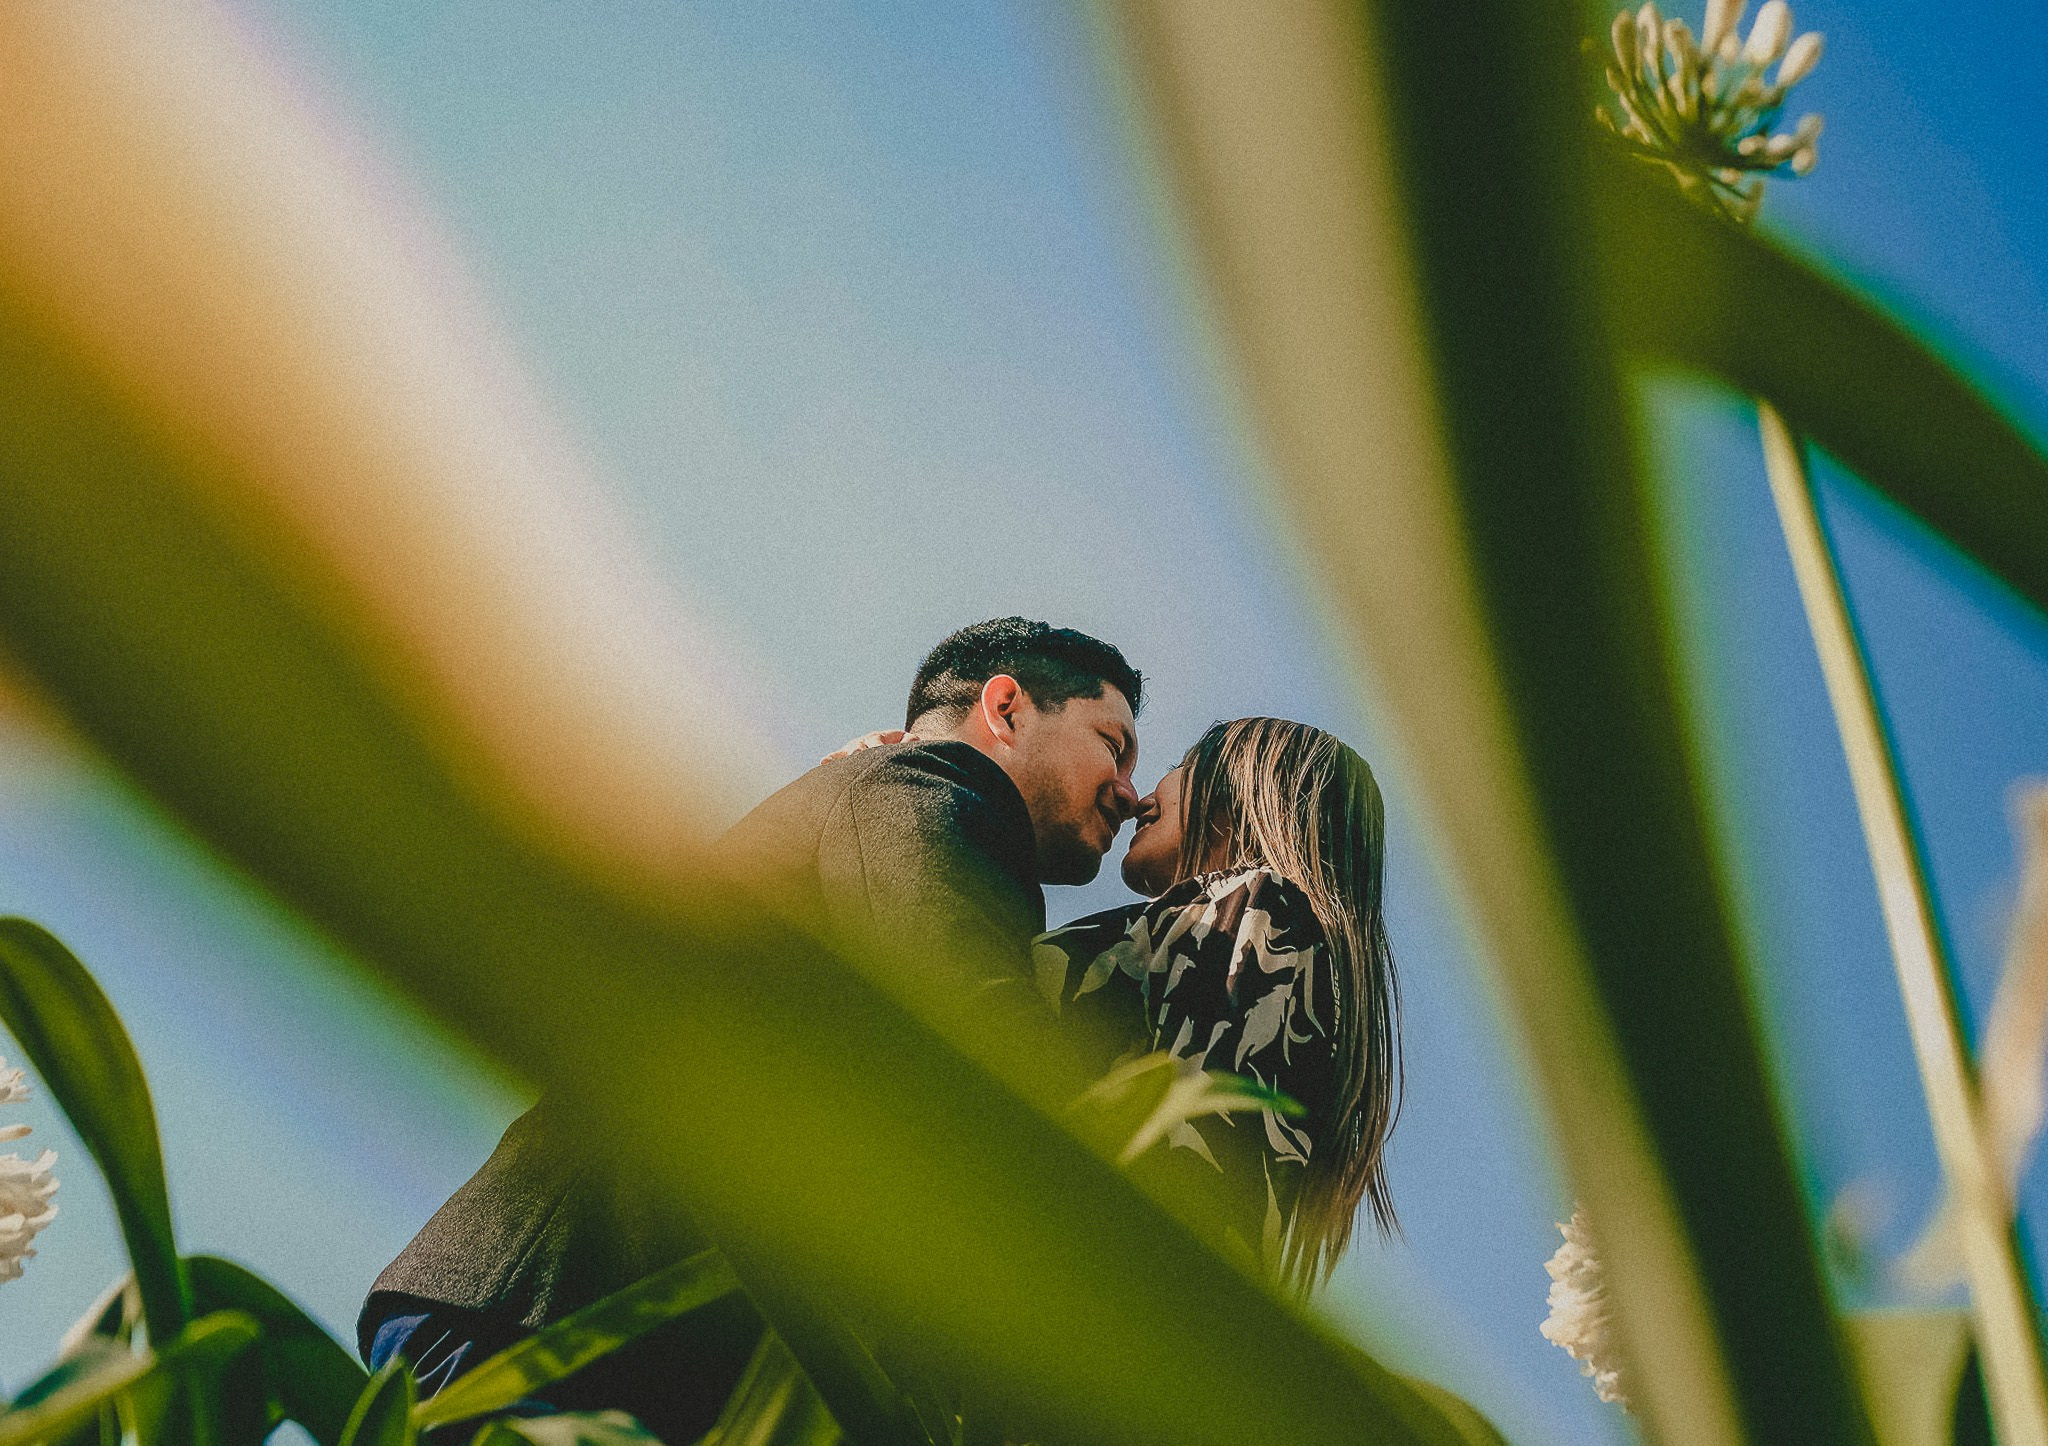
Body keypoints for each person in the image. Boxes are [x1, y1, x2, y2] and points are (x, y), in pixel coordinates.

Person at [355, 618, 1143, 1440]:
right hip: (561, 1325)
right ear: (1006, 708)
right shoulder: (932, 782)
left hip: (577, 1326)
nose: (1129, 791)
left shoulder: (866, 801)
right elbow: (974, 1029)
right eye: (1112, 744)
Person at [1033, 716, 1402, 1292]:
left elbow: (1194, 1166)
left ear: (1241, 792)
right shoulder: (1253, 934)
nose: (1141, 799)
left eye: (1180, 766)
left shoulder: (1263, 918)